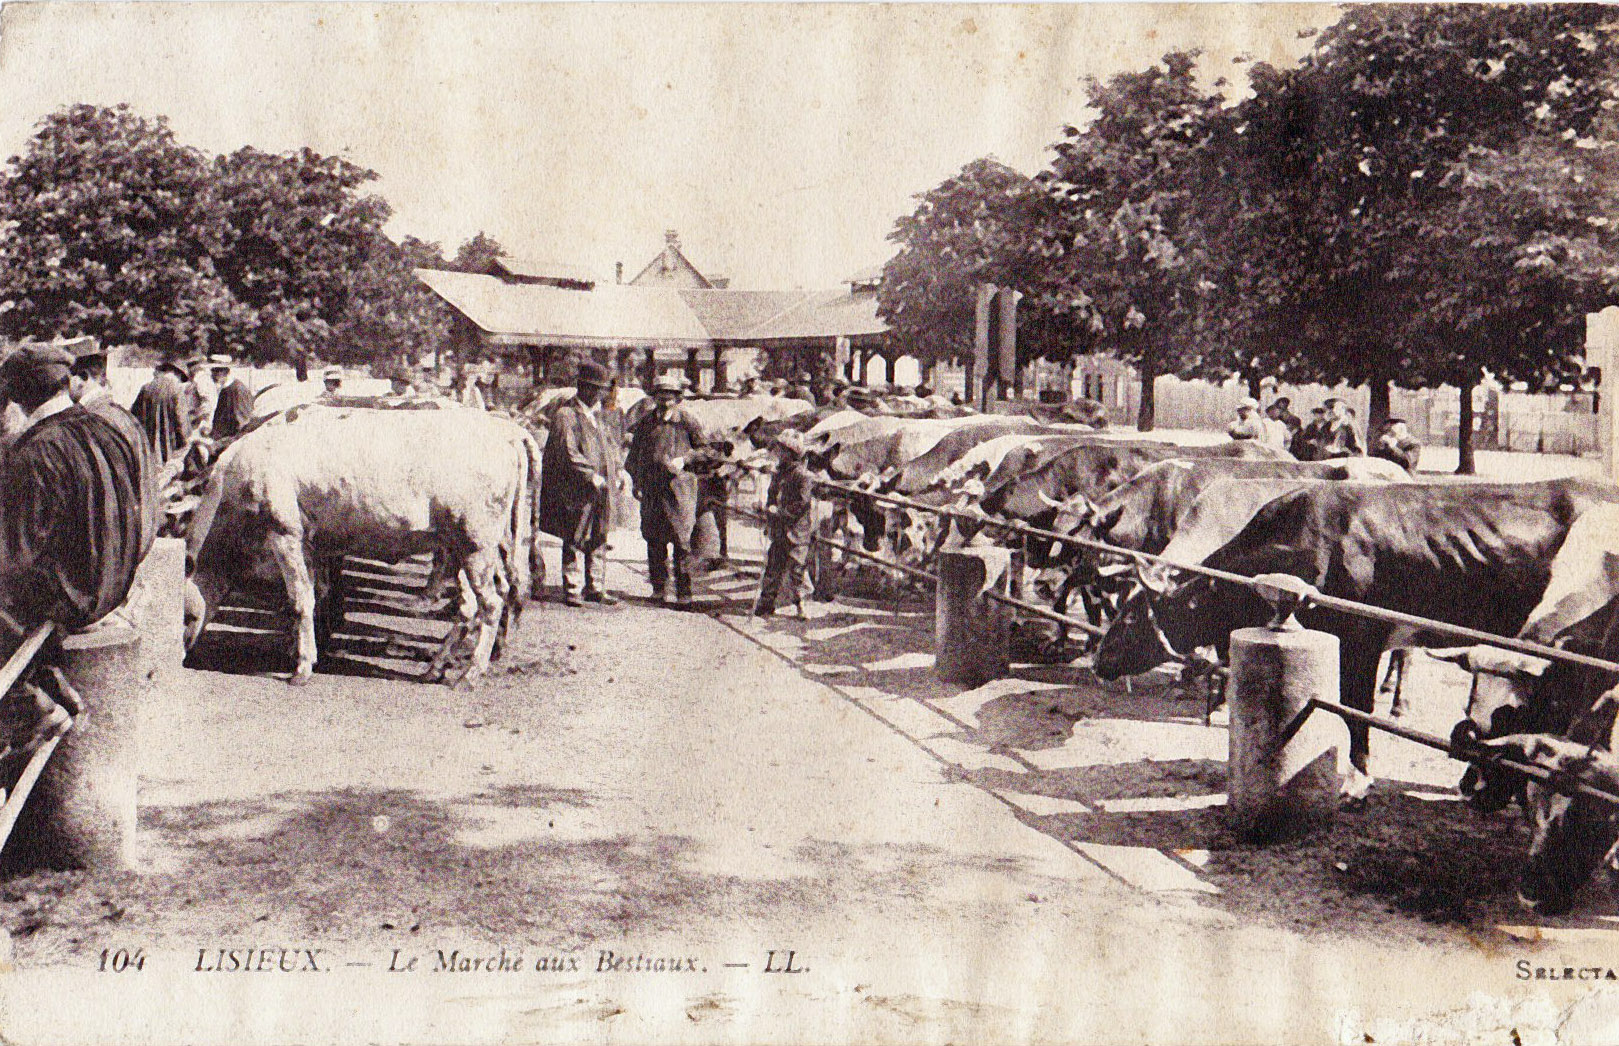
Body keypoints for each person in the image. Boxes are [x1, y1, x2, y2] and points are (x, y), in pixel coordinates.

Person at [0, 344, 153, 633]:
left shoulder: (36, 451)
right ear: (66, 383)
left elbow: (15, 555)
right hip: (113, 589)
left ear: (17, 398)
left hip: (68, 603)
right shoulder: (106, 429)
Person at [539, 361, 618, 606]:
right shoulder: (566, 414)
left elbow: (610, 448)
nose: (597, 394)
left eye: (601, 389)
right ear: (581, 387)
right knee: (574, 537)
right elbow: (567, 451)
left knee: (599, 535)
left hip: (602, 488)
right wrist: (589, 474)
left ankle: (596, 586)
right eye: (593, 388)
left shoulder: (598, 416)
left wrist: (619, 471)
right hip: (577, 488)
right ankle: (572, 588)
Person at [68, 341, 158, 558]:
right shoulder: (123, 418)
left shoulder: (90, 421)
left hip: (105, 554)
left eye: (66, 380)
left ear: (82, 377)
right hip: (127, 550)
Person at [626, 373, 707, 607]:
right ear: (655, 398)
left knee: (682, 542)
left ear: (677, 398)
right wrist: (637, 483)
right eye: (660, 397)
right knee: (654, 540)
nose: (664, 402)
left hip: (680, 491)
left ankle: (684, 592)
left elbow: (707, 451)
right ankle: (659, 589)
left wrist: (685, 459)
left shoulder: (687, 422)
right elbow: (634, 457)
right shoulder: (646, 422)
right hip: (652, 489)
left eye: (669, 397)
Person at [752, 431, 815, 619]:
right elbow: (772, 494)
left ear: (791, 453)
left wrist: (780, 512)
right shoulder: (779, 473)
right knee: (773, 565)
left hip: (796, 530)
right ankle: (766, 603)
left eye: (782, 450)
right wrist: (768, 509)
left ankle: (802, 605)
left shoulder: (803, 475)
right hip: (779, 528)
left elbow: (802, 503)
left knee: (797, 569)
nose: (778, 453)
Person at [130, 358, 193, 464]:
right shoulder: (177, 390)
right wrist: (186, 442)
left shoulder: (146, 388)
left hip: (146, 449)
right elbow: (181, 421)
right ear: (176, 373)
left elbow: (133, 416)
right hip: (168, 450)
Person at [208, 354, 253, 439]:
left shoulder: (237, 390)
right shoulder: (226, 389)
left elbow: (242, 424)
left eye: (218, 371)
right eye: (213, 370)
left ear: (226, 372)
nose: (213, 375)